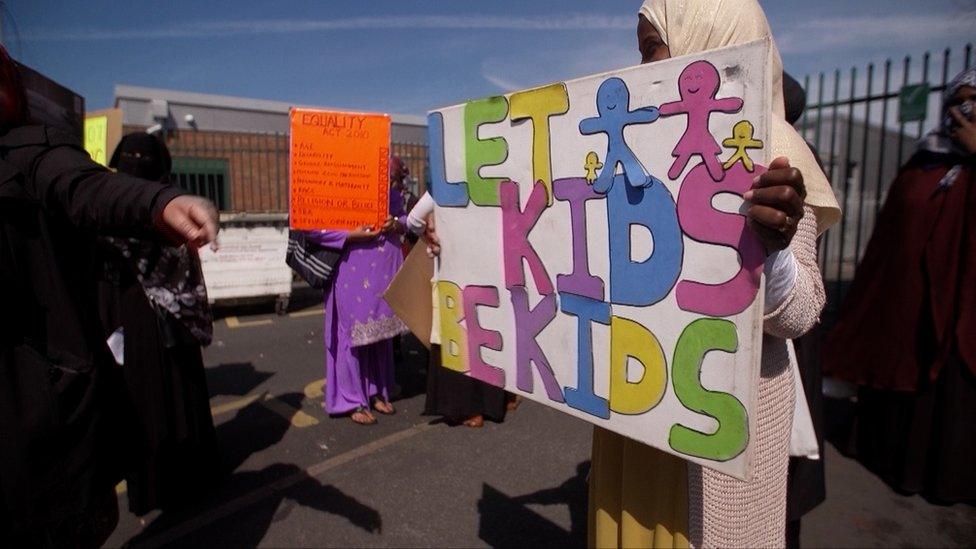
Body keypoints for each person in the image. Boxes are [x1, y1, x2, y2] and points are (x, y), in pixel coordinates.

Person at [585, 2, 842, 547]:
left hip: (711, 426)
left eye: (650, 47)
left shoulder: (771, 153)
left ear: (706, 39)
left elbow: (801, 314)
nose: (640, 66)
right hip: (640, 404)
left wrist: (771, 251)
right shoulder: (632, 148)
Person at [0, 44, 219, 546]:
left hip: (64, 389)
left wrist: (159, 204)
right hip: (130, 328)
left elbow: (88, 189)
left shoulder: (28, 154)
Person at [823, 67, 976, 504]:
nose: (963, 113)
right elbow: (891, 243)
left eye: (973, 102)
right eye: (957, 102)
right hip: (908, 313)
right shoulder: (924, 162)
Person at [97, 132, 220, 516]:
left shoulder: (124, 205)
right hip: (156, 322)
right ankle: (183, 478)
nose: (136, 163)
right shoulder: (159, 205)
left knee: (158, 401)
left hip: (143, 319)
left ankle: (160, 485)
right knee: (165, 400)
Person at [309, 158, 410, 425]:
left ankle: (378, 391)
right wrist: (353, 234)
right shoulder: (336, 190)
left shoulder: (390, 194)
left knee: (379, 335)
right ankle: (352, 398)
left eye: (392, 178)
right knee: (351, 334)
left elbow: (407, 220)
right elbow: (311, 229)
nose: (390, 182)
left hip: (384, 268)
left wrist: (396, 224)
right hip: (351, 271)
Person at [406, 192, 509, 428]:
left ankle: (467, 409)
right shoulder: (497, 180)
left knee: (457, 339)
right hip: (489, 272)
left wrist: (429, 235)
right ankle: (494, 403)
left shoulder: (445, 185)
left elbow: (413, 220)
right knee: (486, 335)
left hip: (454, 274)